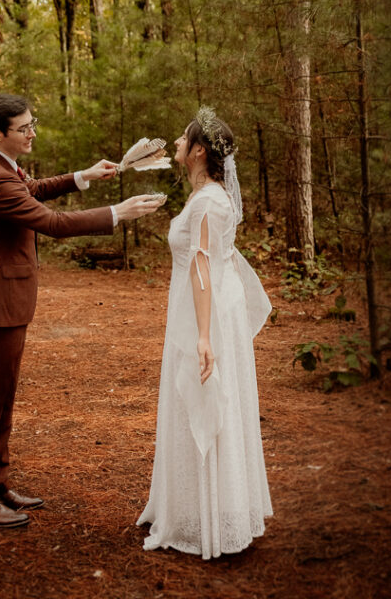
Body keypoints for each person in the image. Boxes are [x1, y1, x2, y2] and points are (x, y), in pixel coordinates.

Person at [0, 93, 164, 528]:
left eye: (34, 123)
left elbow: (31, 190)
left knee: (3, 400)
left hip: (7, 299)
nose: (32, 132)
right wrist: (117, 213)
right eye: (24, 128)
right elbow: (51, 223)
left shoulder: (2, 166)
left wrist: (82, 176)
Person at [137, 106, 273, 559]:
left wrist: (203, 336)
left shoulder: (210, 201)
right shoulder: (207, 197)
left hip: (205, 313)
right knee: (196, 400)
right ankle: (194, 506)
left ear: (198, 151)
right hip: (207, 308)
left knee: (204, 399)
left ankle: (213, 517)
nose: (174, 142)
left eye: (182, 139)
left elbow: (202, 268)